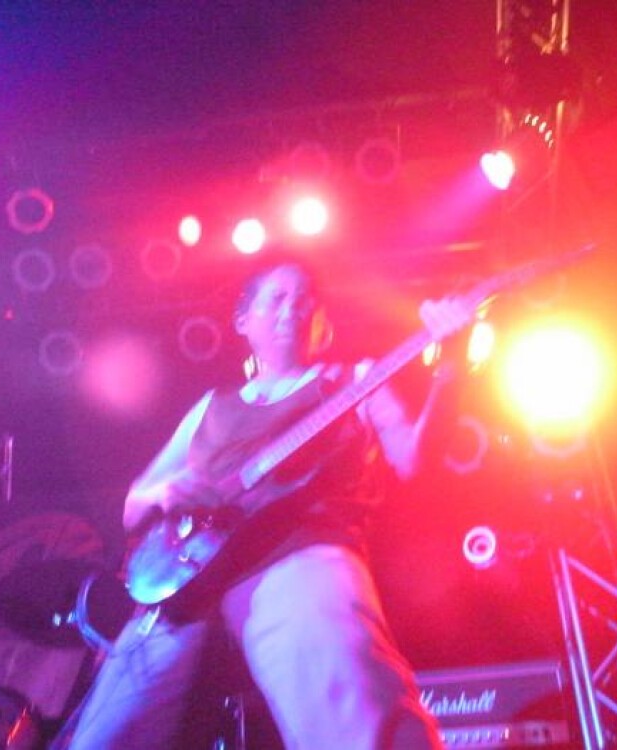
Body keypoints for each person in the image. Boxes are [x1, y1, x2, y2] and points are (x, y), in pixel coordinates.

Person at [60, 258, 474, 749]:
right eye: (277, 299)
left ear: (322, 323)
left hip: (295, 556)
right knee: (104, 736)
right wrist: (165, 493)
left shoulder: (355, 379)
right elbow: (135, 504)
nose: (292, 310)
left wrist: (451, 370)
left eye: (305, 301)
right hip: (185, 582)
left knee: (353, 715)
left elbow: (414, 463)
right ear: (243, 320)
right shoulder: (212, 407)